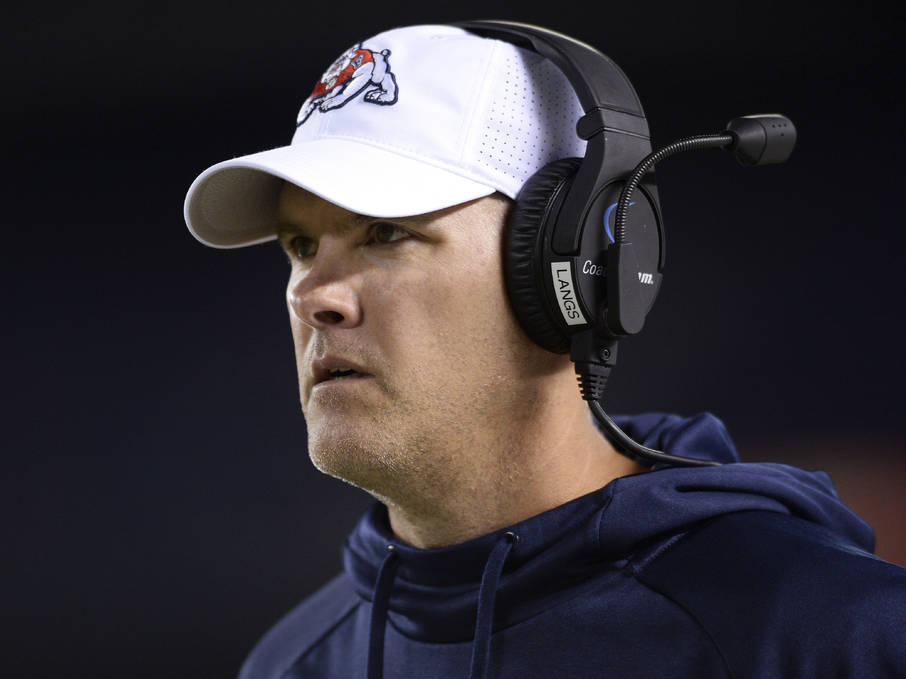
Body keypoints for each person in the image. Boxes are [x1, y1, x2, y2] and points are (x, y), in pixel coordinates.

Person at [183, 23, 906, 679]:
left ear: (578, 263)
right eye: (302, 246)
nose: (316, 295)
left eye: (386, 233)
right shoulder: (290, 664)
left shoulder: (824, 632)